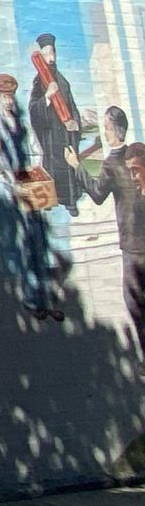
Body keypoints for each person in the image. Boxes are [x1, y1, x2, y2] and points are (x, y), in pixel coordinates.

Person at [0, 74, 62, 322]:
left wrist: (37, 173)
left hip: (31, 184)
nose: (8, 102)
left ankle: (48, 299)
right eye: (4, 97)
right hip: (15, 190)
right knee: (25, 246)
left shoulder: (22, 125)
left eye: (10, 97)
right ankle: (33, 300)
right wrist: (11, 179)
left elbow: (36, 149)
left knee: (40, 242)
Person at [75, 106, 145, 342]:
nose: (104, 132)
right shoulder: (136, 157)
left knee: (134, 301)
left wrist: (77, 166)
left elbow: (96, 194)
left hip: (132, 245)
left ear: (115, 131)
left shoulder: (111, 164)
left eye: (106, 128)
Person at [30, 34, 87, 215]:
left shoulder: (63, 82)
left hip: (65, 135)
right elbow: (33, 108)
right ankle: (47, 200)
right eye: (46, 54)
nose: (51, 58)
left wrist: (75, 124)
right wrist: (46, 96)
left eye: (52, 53)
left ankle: (70, 201)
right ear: (41, 56)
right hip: (50, 134)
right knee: (51, 167)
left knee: (68, 167)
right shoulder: (39, 81)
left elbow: (73, 107)